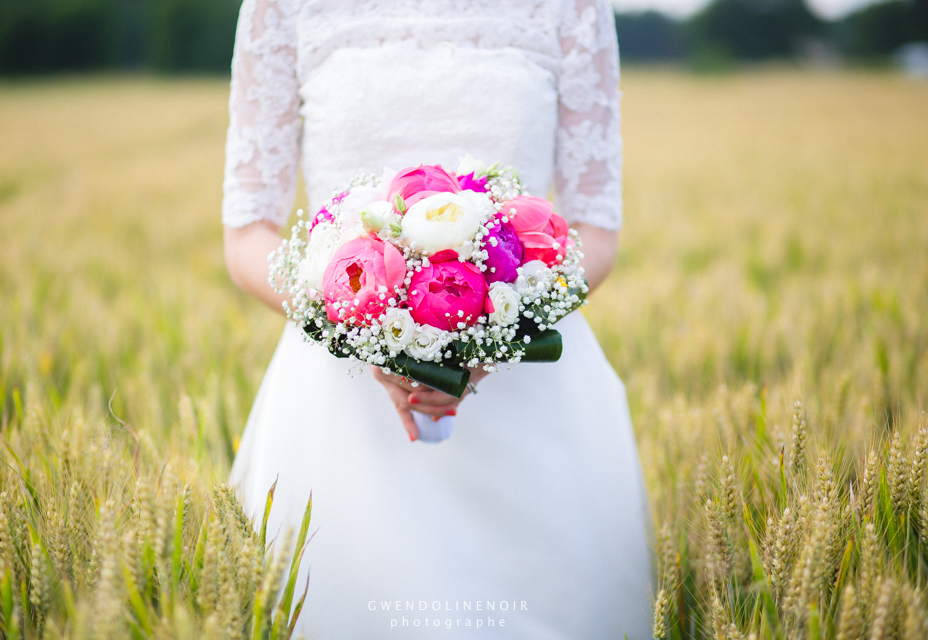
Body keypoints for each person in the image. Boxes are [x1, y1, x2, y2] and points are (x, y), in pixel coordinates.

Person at [223, 1, 653, 637]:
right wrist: (361, 330)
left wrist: (498, 331)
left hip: (528, 398)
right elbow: (247, 235)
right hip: (338, 404)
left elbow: (596, 231)